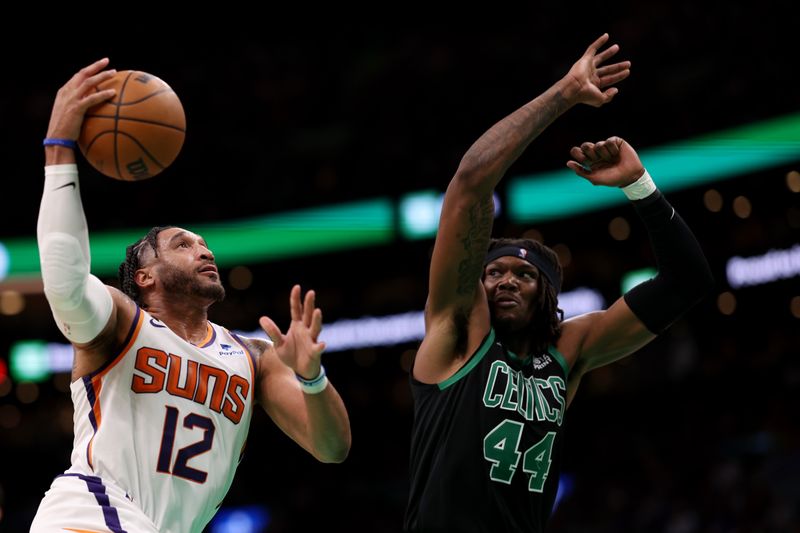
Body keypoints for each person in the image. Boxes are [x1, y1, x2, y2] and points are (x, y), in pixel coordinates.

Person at [404, 34, 714, 532]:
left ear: (547, 294)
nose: (504, 281)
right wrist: (567, 93)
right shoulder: (459, 330)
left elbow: (688, 282)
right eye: (493, 272)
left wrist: (640, 186)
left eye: (524, 275)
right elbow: (469, 183)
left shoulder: (570, 351)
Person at [30, 58, 351, 533]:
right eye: (183, 245)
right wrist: (59, 147)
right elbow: (65, 281)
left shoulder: (253, 357)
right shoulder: (121, 324)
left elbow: (332, 449)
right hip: (89, 515)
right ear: (145, 277)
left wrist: (312, 378)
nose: (203, 250)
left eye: (204, 244)